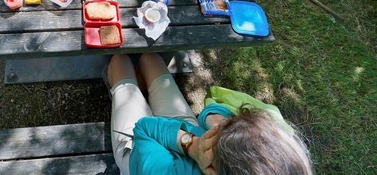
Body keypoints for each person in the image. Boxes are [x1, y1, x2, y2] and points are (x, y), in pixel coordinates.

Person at [107, 53, 314, 174]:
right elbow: (212, 111)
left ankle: (128, 87)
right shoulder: (272, 161)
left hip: (142, 150)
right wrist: (215, 121)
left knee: (120, 61)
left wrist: (192, 145)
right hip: (189, 132)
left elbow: (145, 128)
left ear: (213, 165)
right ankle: (139, 87)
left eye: (220, 134)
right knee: (150, 58)